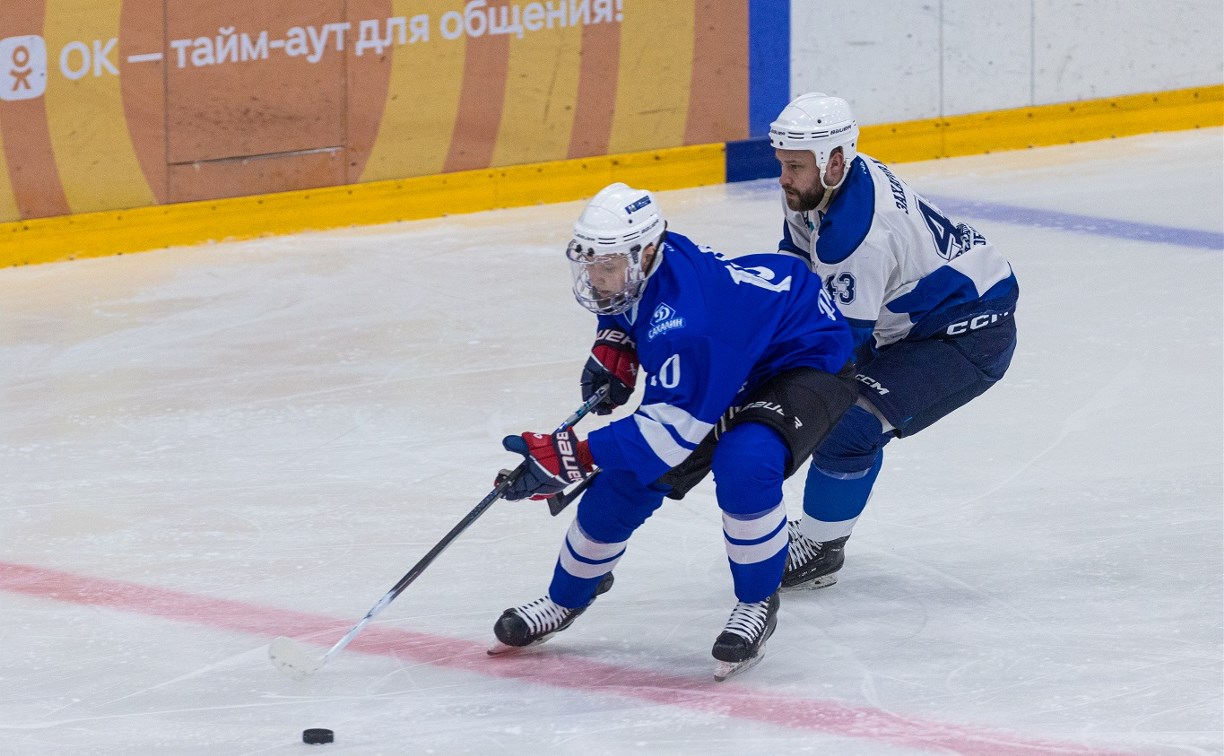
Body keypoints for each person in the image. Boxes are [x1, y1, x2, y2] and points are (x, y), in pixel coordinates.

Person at [489, 182, 857, 680]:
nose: (597, 278)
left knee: (745, 463)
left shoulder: (691, 322)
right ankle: (564, 599)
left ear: (644, 252)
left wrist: (571, 455)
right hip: (734, 357)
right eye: (591, 264)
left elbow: (668, 437)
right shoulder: (649, 261)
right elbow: (625, 303)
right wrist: (615, 337)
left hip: (803, 360)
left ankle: (756, 602)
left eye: (607, 265)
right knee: (622, 482)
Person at [768, 93, 1020, 589]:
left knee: (847, 421)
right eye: (782, 164)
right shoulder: (821, 185)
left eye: (794, 167)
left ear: (834, 161)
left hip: (969, 334)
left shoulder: (858, 237)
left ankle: (820, 548)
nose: (783, 178)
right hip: (921, 319)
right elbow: (797, 261)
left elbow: (842, 352)